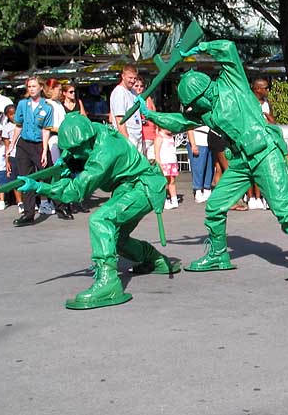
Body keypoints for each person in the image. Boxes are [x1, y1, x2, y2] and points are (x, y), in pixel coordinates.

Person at [137, 39, 288, 284]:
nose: (193, 108)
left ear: (202, 93)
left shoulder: (232, 82)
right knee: (215, 206)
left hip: (265, 154)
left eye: (194, 102)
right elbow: (180, 122)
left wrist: (201, 49)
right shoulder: (205, 111)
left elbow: (229, 49)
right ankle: (219, 255)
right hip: (242, 162)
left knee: (283, 210)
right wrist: (148, 114)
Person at [15, 113, 177, 309]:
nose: (73, 154)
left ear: (88, 140)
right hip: (125, 186)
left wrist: (40, 187)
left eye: (76, 150)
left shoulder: (105, 152)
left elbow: (76, 191)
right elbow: (74, 152)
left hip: (144, 187)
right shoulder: (92, 130)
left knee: (101, 220)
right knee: (115, 239)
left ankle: (108, 283)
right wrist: (65, 162)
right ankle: (155, 260)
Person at [8, 76, 53, 226]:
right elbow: (18, 126)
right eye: (29, 87)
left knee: (47, 175)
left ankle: (60, 205)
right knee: (25, 178)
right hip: (24, 144)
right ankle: (28, 214)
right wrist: (11, 145)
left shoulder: (47, 107)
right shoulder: (22, 104)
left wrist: (44, 150)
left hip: (39, 144)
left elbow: (46, 130)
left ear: (41, 87)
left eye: (34, 86)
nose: (32, 89)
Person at [41, 79, 72, 220]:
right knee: (55, 171)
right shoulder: (48, 105)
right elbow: (47, 126)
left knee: (63, 171)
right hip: (52, 140)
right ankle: (57, 204)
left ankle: (63, 201)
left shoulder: (59, 104)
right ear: (51, 90)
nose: (60, 92)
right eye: (58, 90)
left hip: (62, 139)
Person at [247, 78, 275, 210]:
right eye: (265, 88)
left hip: (264, 139)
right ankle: (251, 197)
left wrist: (267, 118)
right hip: (250, 139)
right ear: (257, 89)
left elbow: (272, 121)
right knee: (249, 170)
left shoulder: (266, 103)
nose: (267, 90)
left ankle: (259, 197)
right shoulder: (248, 102)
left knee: (261, 169)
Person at [110, 64, 143, 150]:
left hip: (137, 135)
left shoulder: (133, 92)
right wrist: (126, 141)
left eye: (135, 78)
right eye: (130, 78)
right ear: (123, 76)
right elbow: (120, 119)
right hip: (129, 137)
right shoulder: (119, 92)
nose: (133, 81)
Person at [155, 126, 180, 209]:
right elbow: (157, 153)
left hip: (172, 162)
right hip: (164, 163)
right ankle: (164, 200)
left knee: (172, 181)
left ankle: (174, 199)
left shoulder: (171, 137)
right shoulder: (159, 137)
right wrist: (159, 164)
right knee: (164, 182)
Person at [133, 76, 157, 162]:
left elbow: (154, 114)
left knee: (152, 161)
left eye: (141, 86)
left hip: (151, 134)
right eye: (136, 86)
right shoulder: (132, 99)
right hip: (140, 136)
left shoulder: (148, 98)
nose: (139, 88)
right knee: (142, 160)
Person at [187, 125, 213, 202]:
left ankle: (207, 189)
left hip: (210, 141)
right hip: (198, 140)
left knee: (210, 167)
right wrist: (193, 144)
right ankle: (198, 190)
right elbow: (189, 127)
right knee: (198, 167)